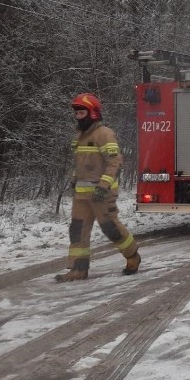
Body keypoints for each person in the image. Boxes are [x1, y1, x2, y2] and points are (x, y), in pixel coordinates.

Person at [55, 93, 141, 282]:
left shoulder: (104, 134)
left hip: (102, 193)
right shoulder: (79, 136)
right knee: (78, 230)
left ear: (92, 113)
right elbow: (79, 163)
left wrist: (103, 186)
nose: (78, 116)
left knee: (110, 228)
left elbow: (114, 161)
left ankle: (132, 256)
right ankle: (78, 269)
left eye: (81, 112)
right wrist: (74, 179)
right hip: (81, 195)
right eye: (76, 113)